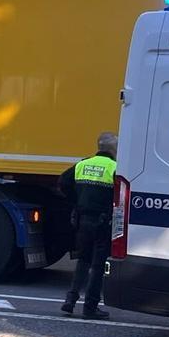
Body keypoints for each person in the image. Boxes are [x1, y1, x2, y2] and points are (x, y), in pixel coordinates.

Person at [59, 132, 119, 320]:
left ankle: (70, 301)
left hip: (82, 219)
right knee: (98, 265)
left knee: (83, 261)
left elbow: (63, 182)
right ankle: (90, 307)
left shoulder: (82, 164)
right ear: (113, 149)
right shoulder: (114, 168)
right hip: (102, 221)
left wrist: (76, 200)